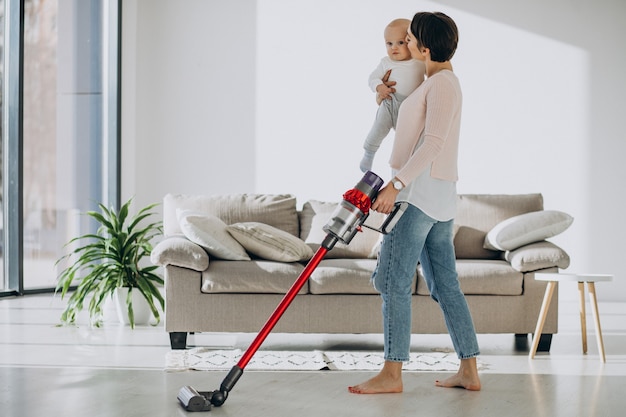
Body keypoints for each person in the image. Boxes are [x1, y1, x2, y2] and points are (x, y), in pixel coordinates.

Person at [349, 11, 481, 394]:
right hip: (438, 197)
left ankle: (392, 374)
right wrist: (381, 91)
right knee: (445, 285)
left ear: (424, 47)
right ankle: (469, 369)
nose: (401, 46)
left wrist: (396, 184)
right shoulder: (434, 82)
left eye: (408, 40)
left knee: (391, 280)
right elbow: (401, 114)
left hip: (418, 196)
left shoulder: (442, 86)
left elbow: (434, 142)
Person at [359, 18, 426, 173]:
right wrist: (379, 87)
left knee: (409, 141)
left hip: (411, 109)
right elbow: (372, 78)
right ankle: (369, 153)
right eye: (389, 43)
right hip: (390, 102)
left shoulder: (420, 62)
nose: (394, 48)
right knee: (378, 129)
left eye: (400, 43)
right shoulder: (386, 62)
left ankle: (408, 165)